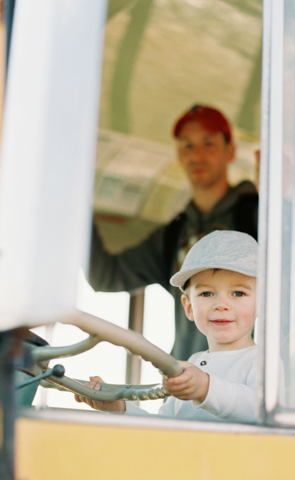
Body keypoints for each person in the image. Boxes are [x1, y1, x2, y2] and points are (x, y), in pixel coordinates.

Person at [88, 105, 258, 360]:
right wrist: (77, 205)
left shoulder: (258, 216)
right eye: (187, 146)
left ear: (230, 151)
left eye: (208, 143)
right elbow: (106, 277)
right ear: (179, 155)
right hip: (187, 381)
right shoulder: (174, 234)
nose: (197, 155)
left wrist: (283, 203)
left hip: (249, 384)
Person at [75, 230, 259, 424]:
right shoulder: (193, 363)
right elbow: (164, 425)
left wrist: (206, 387)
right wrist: (120, 408)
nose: (221, 304)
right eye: (206, 294)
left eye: (238, 293)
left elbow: (261, 411)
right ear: (188, 307)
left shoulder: (263, 363)